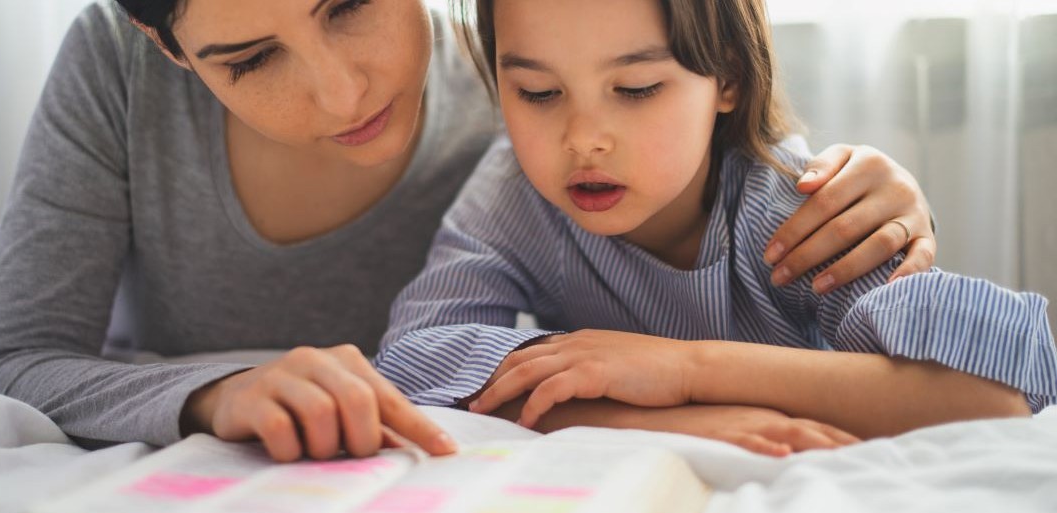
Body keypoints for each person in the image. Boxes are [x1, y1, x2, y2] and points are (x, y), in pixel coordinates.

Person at [0, 0, 938, 462]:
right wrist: (214, 392)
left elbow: (724, 161)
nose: (343, 92)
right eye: (250, 59)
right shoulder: (114, 70)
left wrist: (870, 195)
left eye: (348, 5)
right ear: (165, 44)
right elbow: (10, 360)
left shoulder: (536, 89)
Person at [375, 0, 1057, 456]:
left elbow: (992, 395)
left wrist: (683, 369)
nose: (583, 140)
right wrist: (661, 421)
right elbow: (414, 360)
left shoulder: (790, 205)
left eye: (637, 89)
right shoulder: (514, 195)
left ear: (727, 77)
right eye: (538, 93)